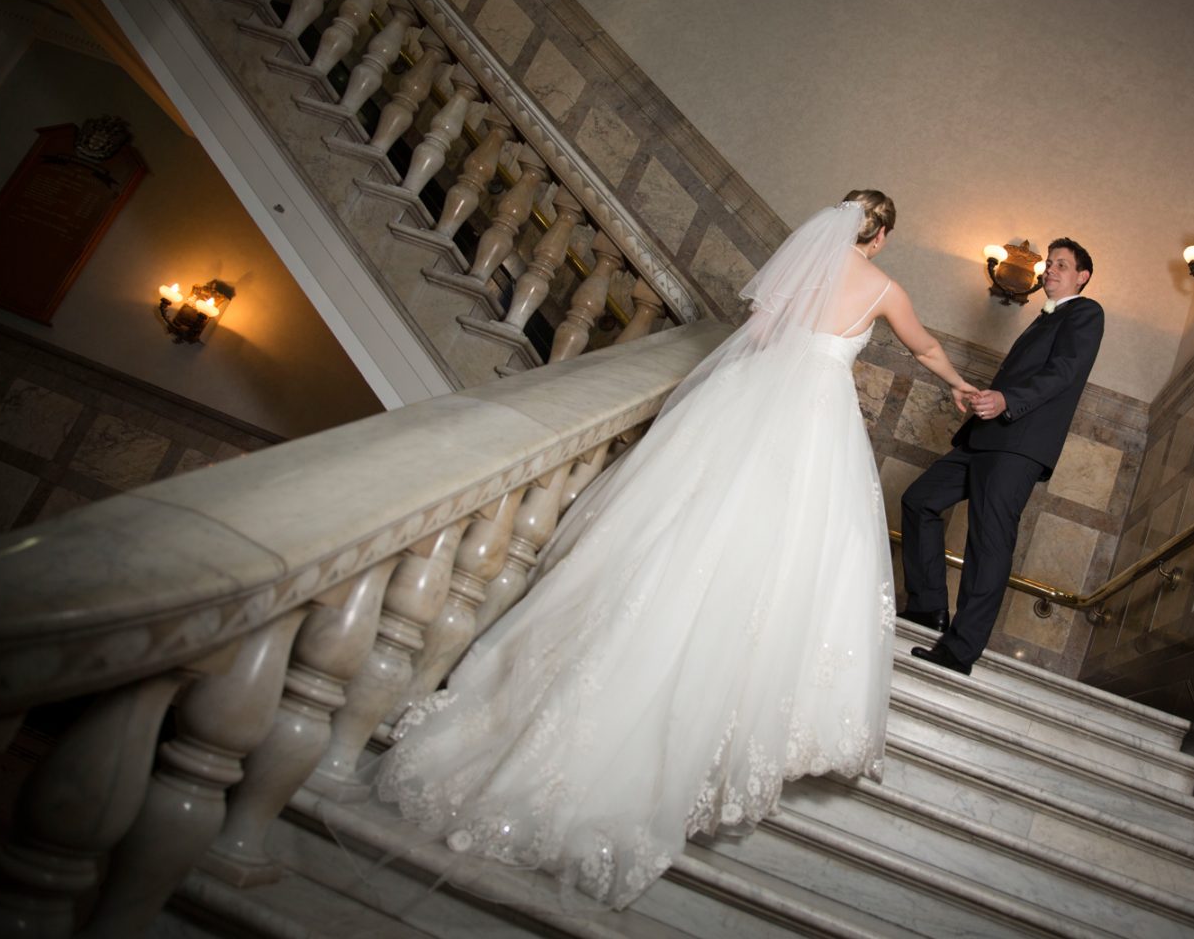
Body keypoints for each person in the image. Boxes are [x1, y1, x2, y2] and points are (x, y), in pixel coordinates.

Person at [376, 190, 975, 909]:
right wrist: (962, 387)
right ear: (880, 240)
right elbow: (927, 346)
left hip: (751, 406)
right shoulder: (881, 286)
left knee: (689, 531)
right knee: (796, 554)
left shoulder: (801, 270)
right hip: (818, 427)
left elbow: (756, 337)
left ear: (838, 225)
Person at [898, 238, 1103, 675]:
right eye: (1049, 265)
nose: (1049, 271)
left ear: (1082, 276)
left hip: (1017, 446)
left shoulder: (1087, 313)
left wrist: (1006, 400)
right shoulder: (1042, 317)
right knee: (919, 500)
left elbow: (1063, 372)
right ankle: (929, 607)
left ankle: (961, 648)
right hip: (984, 438)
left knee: (988, 542)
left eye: (1061, 265)